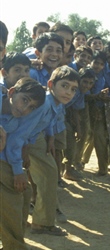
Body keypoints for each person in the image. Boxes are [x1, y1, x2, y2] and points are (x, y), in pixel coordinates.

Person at [27, 66, 79, 236]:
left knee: (49, 176)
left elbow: (49, 121)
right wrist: (22, 150)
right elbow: (25, 126)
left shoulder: (55, 102)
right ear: (50, 84)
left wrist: (50, 138)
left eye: (73, 89)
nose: (69, 92)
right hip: (28, 141)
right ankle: (42, 223)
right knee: (48, 176)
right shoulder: (44, 102)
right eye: (64, 86)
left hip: (38, 138)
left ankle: (43, 221)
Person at [0, 77, 46, 249]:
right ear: (11, 92)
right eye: (24, 100)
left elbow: (15, 142)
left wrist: (18, 168)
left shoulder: (15, 118)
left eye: (31, 107)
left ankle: (14, 242)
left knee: (24, 194)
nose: (25, 108)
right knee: (12, 197)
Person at [62, 66, 95, 181]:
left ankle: (69, 168)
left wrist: (79, 128)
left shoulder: (81, 93)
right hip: (56, 116)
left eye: (90, 83)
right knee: (68, 141)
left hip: (64, 116)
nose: (87, 85)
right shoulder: (73, 90)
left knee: (72, 139)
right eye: (84, 82)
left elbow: (76, 109)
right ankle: (67, 170)